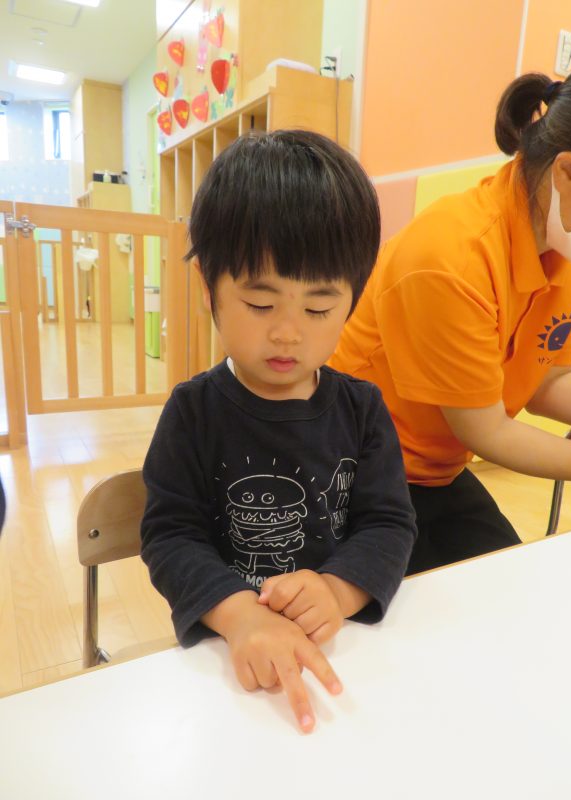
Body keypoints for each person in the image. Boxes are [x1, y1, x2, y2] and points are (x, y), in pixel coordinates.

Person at [141, 130, 417, 733]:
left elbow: (388, 523)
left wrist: (338, 590)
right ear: (208, 287)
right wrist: (240, 615)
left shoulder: (362, 409)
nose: (289, 332)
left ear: (352, 300)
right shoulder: (192, 413)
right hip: (227, 657)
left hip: (341, 652)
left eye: (318, 309)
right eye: (261, 305)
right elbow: (170, 535)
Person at [330, 52, 571, 574]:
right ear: (569, 172)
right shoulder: (451, 257)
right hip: (352, 470)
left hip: (438, 468)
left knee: (511, 583)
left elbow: (545, 383)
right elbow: (488, 431)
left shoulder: (568, 245)